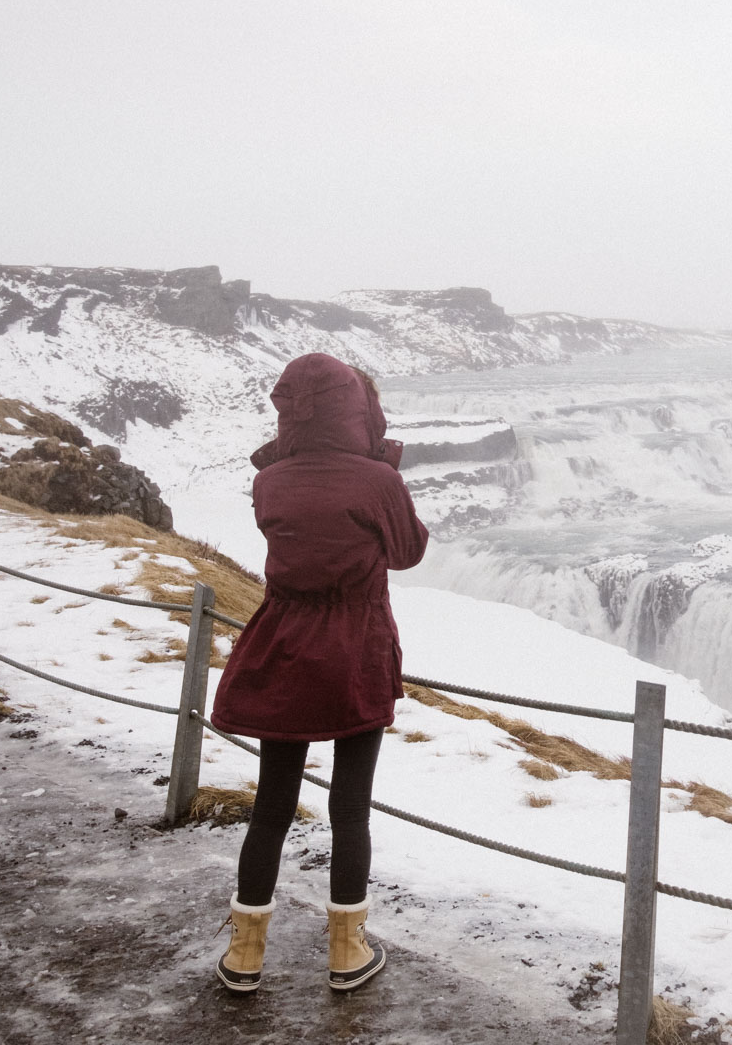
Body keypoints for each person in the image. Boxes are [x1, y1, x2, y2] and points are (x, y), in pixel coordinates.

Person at [209, 353, 428, 993]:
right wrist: (383, 469)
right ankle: (346, 951)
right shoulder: (374, 481)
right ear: (355, 413)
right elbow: (409, 552)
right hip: (354, 653)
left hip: (281, 647)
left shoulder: (269, 482)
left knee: (271, 807)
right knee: (349, 809)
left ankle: (246, 955)